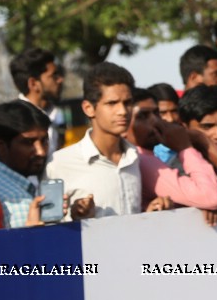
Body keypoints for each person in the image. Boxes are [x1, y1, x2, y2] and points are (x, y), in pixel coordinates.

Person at [45, 63, 174, 220]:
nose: (122, 111)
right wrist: (75, 218)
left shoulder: (135, 159)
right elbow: (48, 229)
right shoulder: (59, 164)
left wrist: (149, 214)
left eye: (127, 103)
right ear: (88, 108)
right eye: (112, 103)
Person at [126, 88, 217, 220]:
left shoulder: (146, 155)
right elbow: (211, 197)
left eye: (156, 113)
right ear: (123, 125)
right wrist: (185, 146)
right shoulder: (141, 160)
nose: (155, 121)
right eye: (143, 116)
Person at [0, 101, 57, 228]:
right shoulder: (17, 201)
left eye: (44, 140)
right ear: (1, 146)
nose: (41, 152)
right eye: (28, 142)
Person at [9, 47, 66, 153]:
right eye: (54, 76)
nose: (60, 80)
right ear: (33, 83)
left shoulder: (56, 115)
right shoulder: (12, 122)